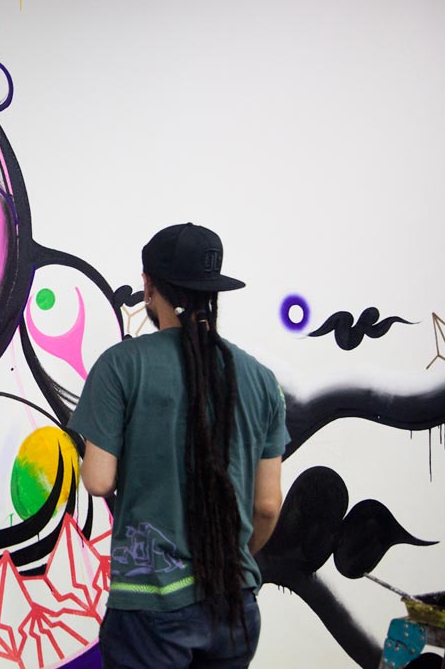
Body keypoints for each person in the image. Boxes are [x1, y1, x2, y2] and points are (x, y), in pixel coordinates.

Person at [67, 223, 287, 668]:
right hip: (235, 604)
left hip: (152, 606)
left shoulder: (122, 365)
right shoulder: (261, 380)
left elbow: (98, 480)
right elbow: (267, 506)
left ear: (148, 287)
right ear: (213, 291)